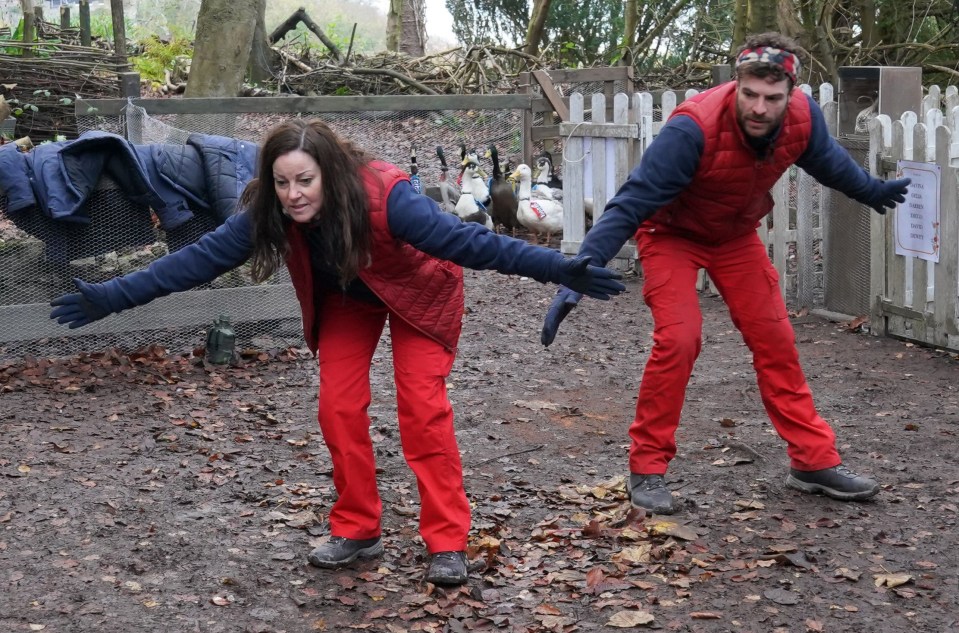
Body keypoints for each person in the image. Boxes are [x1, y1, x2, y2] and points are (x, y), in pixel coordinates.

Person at [49, 118, 625, 585]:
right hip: (349, 297)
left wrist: (557, 267)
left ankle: (447, 541)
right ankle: (357, 526)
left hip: (417, 291)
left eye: (304, 181)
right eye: (282, 182)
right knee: (337, 406)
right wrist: (111, 297)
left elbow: (470, 242)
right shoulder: (269, 211)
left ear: (329, 174)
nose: (293, 194)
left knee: (421, 408)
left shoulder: (388, 198)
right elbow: (194, 261)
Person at [541, 32, 911, 515]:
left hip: (735, 236)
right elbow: (629, 204)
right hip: (671, 233)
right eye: (750, 94)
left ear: (790, 95)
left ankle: (812, 461)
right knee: (680, 339)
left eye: (772, 98)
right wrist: (576, 275)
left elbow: (830, 162)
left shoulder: (801, 117)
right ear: (737, 84)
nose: (759, 107)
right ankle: (647, 467)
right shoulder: (691, 129)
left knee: (775, 338)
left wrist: (871, 190)